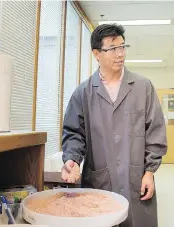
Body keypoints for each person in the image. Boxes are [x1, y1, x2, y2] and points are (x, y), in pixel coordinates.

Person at [61, 23, 167, 227]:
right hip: (99, 181)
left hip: (136, 180)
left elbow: (155, 132)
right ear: (96, 53)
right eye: (112, 48)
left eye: (122, 47)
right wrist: (72, 159)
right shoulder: (83, 93)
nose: (120, 54)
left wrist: (150, 172)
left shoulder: (143, 87)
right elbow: (74, 133)